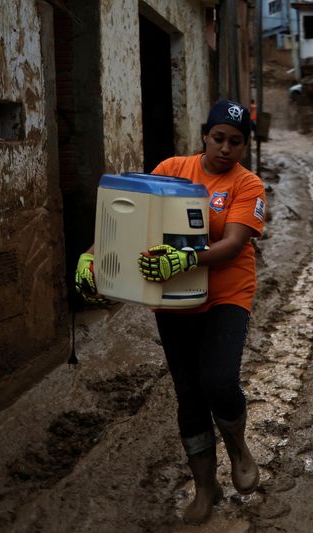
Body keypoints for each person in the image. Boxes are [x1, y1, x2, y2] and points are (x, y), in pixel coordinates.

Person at [75, 99, 267, 524]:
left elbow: (234, 244)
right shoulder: (172, 170)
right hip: (174, 298)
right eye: (219, 138)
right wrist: (93, 255)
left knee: (219, 380)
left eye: (236, 142)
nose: (225, 148)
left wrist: (187, 258)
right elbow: (129, 221)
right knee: (189, 393)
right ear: (205, 135)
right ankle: (205, 487)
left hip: (226, 294)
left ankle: (237, 446)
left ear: (244, 146)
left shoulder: (247, 185)